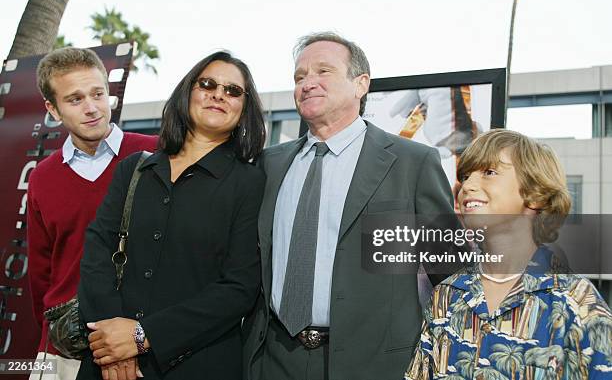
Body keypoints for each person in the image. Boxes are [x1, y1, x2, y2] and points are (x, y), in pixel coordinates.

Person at [243, 32, 457, 380]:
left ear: (361, 84)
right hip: (274, 360)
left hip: (374, 364)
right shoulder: (268, 165)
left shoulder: (412, 163)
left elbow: (451, 273)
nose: (307, 83)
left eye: (323, 71)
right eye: (299, 77)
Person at [76, 51, 266, 380]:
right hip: (106, 363)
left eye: (233, 91)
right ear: (187, 92)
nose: (219, 94)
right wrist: (111, 343)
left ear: (244, 109)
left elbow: (239, 288)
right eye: (207, 84)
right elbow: (97, 253)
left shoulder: (251, 183)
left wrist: (142, 336)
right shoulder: (133, 170)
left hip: (196, 364)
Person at [404, 129, 612, 379]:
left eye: (489, 172)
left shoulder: (577, 303)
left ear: (534, 195)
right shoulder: (445, 298)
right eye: (466, 176)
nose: (467, 186)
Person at [27, 47, 157, 380]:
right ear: (52, 109)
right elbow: (41, 273)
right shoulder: (42, 177)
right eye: (74, 99)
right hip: (64, 349)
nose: (91, 108)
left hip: (140, 342)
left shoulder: (155, 154)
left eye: (98, 94)